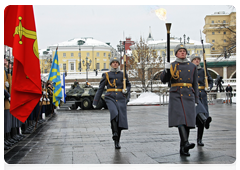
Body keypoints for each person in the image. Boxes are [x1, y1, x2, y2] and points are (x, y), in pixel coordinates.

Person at [160, 44, 198, 156]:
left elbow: (195, 83)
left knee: (188, 122)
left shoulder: (192, 66)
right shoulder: (172, 65)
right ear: (176, 53)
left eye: (184, 51)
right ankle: (185, 143)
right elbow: (164, 80)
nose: (182, 53)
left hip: (189, 94)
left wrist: (196, 99)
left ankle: (183, 148)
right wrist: (166, 70)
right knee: (180, 119)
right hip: (176, 94)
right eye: (180, 51)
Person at [93, 56, 131, 149]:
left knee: (121, 119)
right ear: (110, 64)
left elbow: (129, 85)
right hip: (110, 97)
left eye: (117, 62)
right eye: (113, 62)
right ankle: (114, 133)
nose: (115, 64)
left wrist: (126, 92)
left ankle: (117, 141)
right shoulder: (106, 75)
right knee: (114, 113)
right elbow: (101, 88)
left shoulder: (123, 74)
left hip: (121, 98)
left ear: (118, 64)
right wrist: (95, 101)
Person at [190, 53, 213, 146]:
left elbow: (210, 81)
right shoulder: (189, 70)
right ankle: (205, 120)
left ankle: (199, 139)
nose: (197, 61)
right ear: (191, 61)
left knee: (201, 117)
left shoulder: (203, 71)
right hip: (194, 94)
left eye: (198, 59)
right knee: (199, 112)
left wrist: (209, 87)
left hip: (202, 94)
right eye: (195, 59)